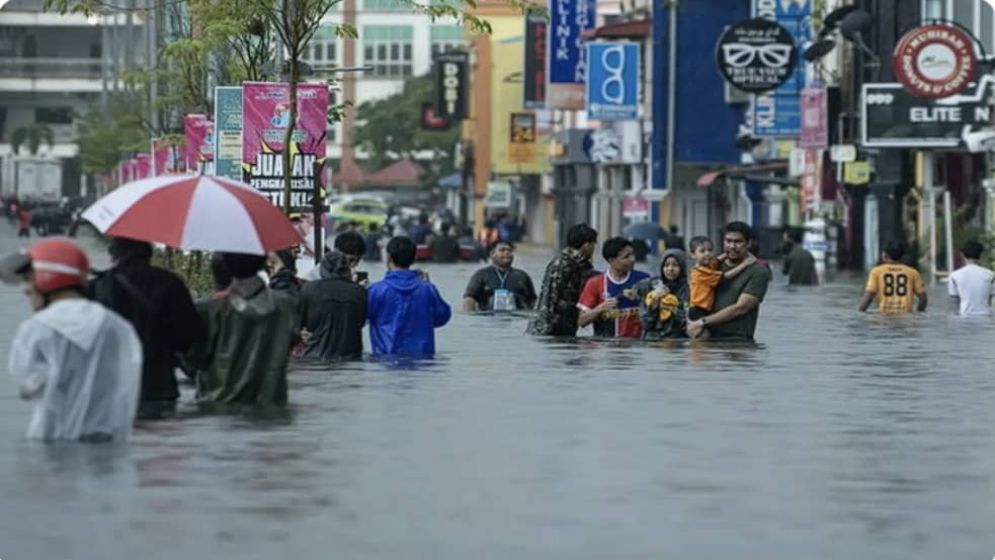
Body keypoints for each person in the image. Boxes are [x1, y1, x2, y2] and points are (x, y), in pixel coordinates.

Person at [2, 239, 142, 441]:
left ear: (47, 276)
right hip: (109, 444)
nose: (24, 288)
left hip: (52, 443)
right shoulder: (118, 327)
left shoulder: (36, 328)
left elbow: (29, 385)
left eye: (27, 278)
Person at [88, 237, 205, 419]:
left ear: (114, 253)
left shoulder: (97, 286)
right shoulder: (170, 283)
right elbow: (190, 335)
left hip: (110, 385)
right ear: (148, 253)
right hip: (157, 385)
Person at [188, 252, 300, 405]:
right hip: (272, 404)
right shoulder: (286, 305)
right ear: (262, 263)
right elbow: (292, 342)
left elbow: (194, 359)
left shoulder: (209, 308)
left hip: (217, 405)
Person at [687, 222, 772, 340]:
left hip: (736, 342)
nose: (732, 246)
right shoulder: (711, 266)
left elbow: (741, 308)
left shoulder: (758, 271)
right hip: (705, 338)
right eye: (728, 241)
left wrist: (702, 322)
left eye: (738, 242)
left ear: (748, 243)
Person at [367, 236, 451, 356]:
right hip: (423, 362)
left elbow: (358, 319)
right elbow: (442, 318)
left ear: (388, 257)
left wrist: (357, 292)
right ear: (414, 258)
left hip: (385, 360)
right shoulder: (427, 289)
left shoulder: (376, 291)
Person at [526, 224, 598, 337]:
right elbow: (549, 299)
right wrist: (545, 328)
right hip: (549, 328)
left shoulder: (583, 265)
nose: (594, 248)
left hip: (568, 326)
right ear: (586, 245)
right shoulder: (561, 264)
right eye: (593, 244)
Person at [577, 237, 650, 339]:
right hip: (605, 345)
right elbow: (581, 321)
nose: (633, 259)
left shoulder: (644, 280)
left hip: (636, 345)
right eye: (627, 257)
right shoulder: (595, 283)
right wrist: (600, 308)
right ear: (612, 260)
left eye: (633, 254)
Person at [299, 251, 368, 360]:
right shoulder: (359, 292)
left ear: (322, 269)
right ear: (347, 269)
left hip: (314, 356)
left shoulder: (309, 289)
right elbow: (362, 321)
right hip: (351, 358)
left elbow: (300, 322)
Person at [463, 241, 537, 312]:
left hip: (517, 317)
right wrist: (469, 316)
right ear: (492, 254)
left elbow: (533, 301)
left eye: (510, 251)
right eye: (502, 250)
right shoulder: (481, 275)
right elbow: (469, 298)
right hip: (489, 316)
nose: (507, 252)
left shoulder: (522, 276)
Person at [634, 249, 690, 340]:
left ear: (682, 267)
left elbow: (686, 323)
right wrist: (654, 302)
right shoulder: (651, 287)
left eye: (675, 265)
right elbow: (645, 324)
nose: (670, 269)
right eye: (666, 265)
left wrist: (672, 308)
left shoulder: (688, 291)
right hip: (652, 340)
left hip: (676, 340)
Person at [859, 241, 927, 314]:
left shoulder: (876, 272)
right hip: (906, 316)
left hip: (883, 316)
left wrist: (860, 313)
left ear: (885, 255)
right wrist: (919, 313)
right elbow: (923, 298)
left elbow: (868, 297)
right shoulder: (913, 272)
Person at [948, 240, 994, 316]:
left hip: (964, 317)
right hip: (985, 317)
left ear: (962, 255)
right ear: (980, 255)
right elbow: (989, 299)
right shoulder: (991, 275)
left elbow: (954, 301)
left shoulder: (954, 276)